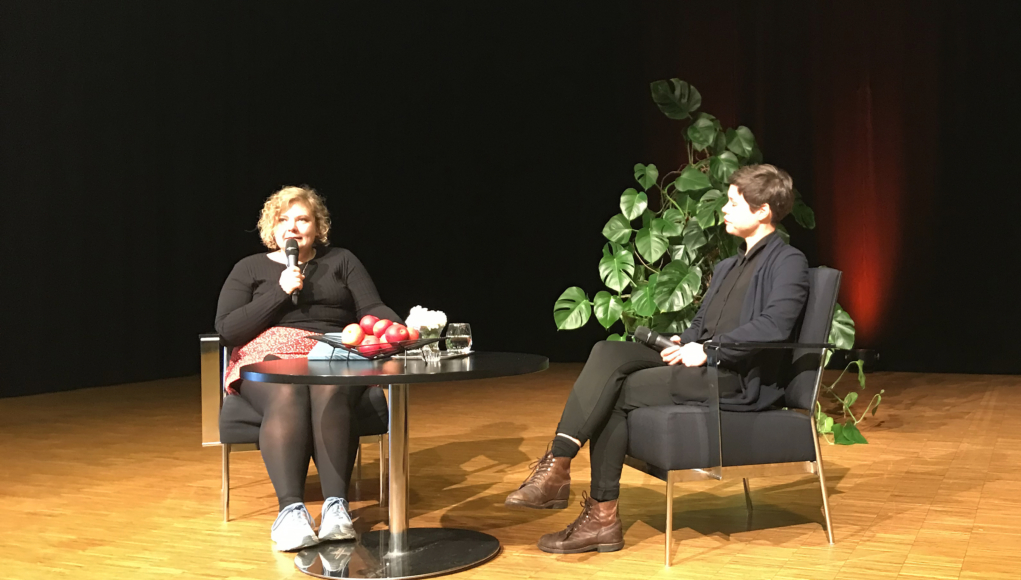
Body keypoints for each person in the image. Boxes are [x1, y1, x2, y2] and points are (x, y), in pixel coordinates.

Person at [506, 164, 810, 554]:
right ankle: (559, 467)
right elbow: (702, 323)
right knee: (607, 351)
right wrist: (687, 340)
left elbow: (774, 326)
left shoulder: (788, 261)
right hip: (704, 362)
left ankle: (599, 516)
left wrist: (710, 349)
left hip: (735, 378)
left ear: (763, 210)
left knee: (617, 391)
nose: (724, 209)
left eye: (734, 203)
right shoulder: (727, 266)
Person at [215, 186, 402, 552]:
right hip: (267, 354)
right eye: (284, 220)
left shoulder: (342, 260)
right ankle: (291, 513)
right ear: (271, 228)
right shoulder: (249, 268)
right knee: (286, 390)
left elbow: (372, 308)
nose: (293, 227)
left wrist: (395, 327)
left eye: (303, 219)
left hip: (331, 350)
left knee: (329, 386)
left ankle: (336, 509)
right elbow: (228, 330)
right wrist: (279, 292)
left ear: (318, 227)